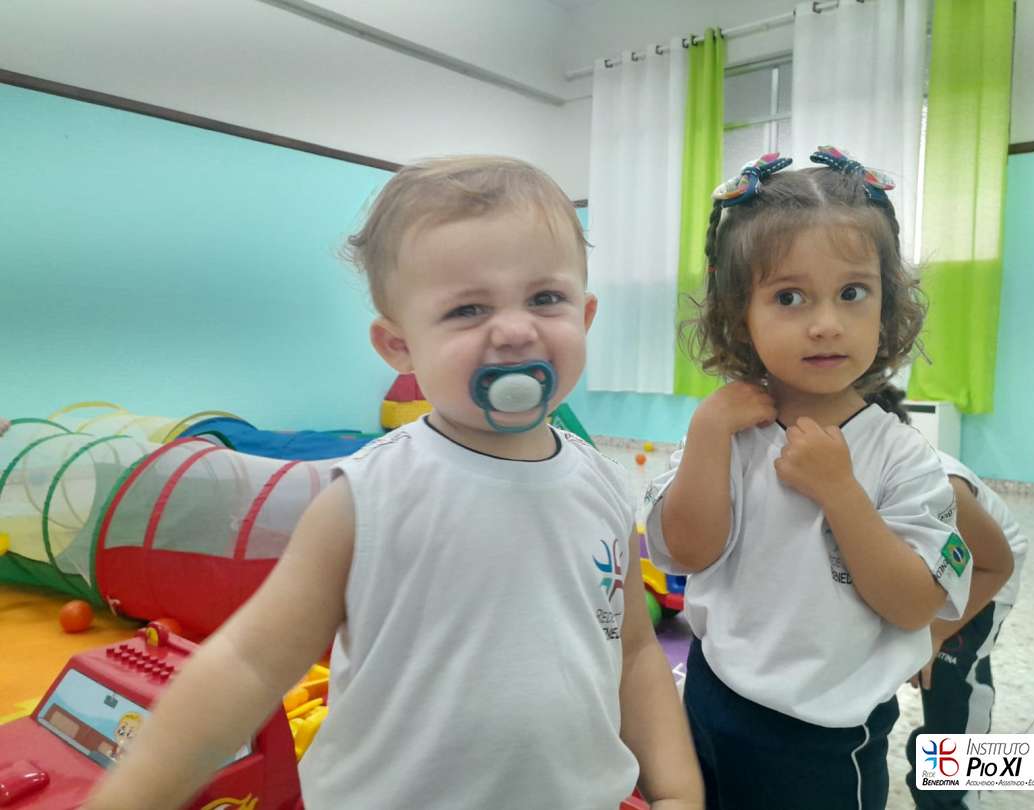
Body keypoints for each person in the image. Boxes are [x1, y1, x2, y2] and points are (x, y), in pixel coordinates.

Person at [85, 156, 703, 810]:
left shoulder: (601, 484)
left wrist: (677, 790)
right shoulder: (368, 499)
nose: (515, 329)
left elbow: (636, 653)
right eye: (468, 308)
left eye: (545, 298)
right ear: (399, 346)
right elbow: (249, 663)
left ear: (586, 313)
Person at [642, 147, 973, 810]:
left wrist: (840, 492)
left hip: (823, 734)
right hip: (709, 692)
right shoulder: (725, 431)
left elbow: (915, 604)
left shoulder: (902, 458)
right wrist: (708, 434)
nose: (825, 324)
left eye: (853, 293)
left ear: (886, 305)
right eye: (788, 297)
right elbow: (684, 553)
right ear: (740, 315)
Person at [866, 385, 1024, 810]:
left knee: (953, 683)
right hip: (929, 565)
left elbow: (993, 565)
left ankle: (957, 794)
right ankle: (927, 765)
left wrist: (936, 634)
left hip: (983, 576)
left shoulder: (942, 485)